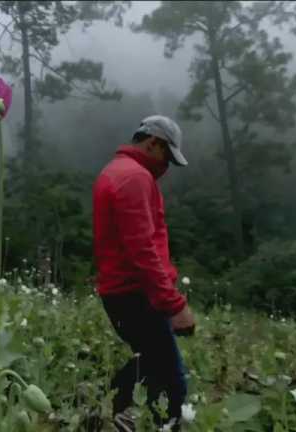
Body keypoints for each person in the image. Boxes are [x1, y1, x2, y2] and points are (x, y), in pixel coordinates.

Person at [93, 115, 196, 431]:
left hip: (120, 292)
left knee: (150, 361)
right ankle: (156, 420)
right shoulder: (135, 178)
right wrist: (174, 305)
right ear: (153, 143)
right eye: (167, 156)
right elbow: (143, 250)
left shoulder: (114, 172)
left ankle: (115, 408)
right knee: (172, 379)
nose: (166, 167)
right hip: (135, 293)